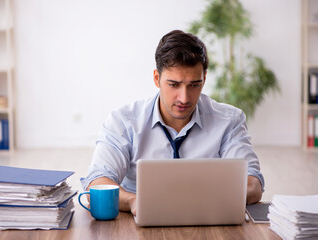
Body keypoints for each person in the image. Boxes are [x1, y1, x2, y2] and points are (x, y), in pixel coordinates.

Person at [80, 30, 264, 216]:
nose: (184, 98)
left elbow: (253, 184)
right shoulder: (123, 121)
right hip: (139, 220)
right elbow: (97, 183)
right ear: (156, 78)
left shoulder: (229, 120)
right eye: (174, 84)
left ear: (204, 79)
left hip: (206, 217)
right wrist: (135, 201)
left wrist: (204, 200)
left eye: (194, 85)